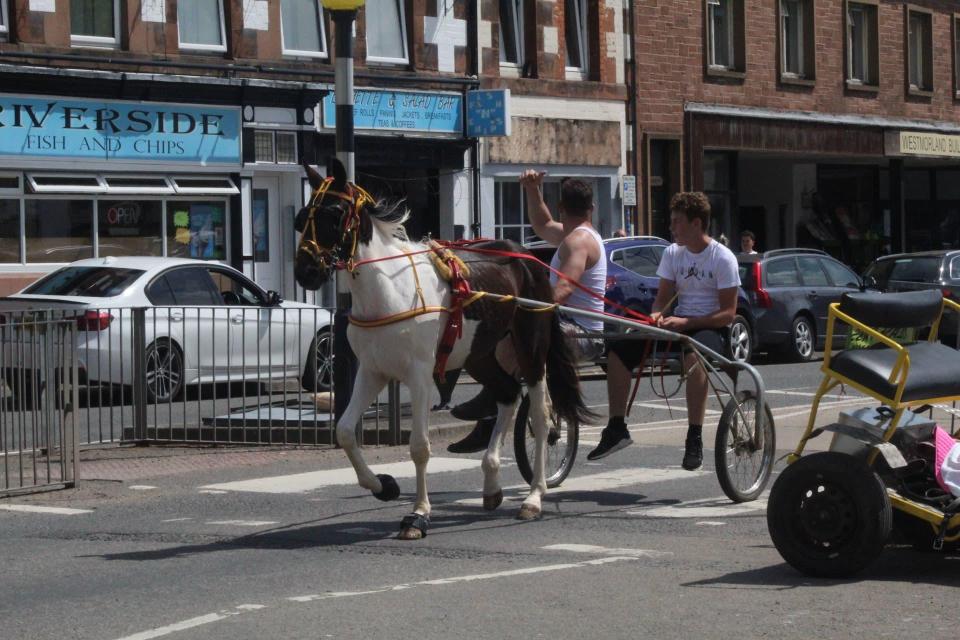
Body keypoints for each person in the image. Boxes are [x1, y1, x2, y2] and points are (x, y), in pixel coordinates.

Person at [447, 172, 607, 453]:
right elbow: (542, 223)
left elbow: (565, 289)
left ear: (562, 206)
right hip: (561, 322)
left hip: (582, 333)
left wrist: (524, 311)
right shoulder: (573, 235)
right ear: (591, 208)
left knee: (510, 343)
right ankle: (491, 409)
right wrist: (533, 190)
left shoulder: (579, 242)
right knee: (496, 338)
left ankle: (489, 410)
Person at [591, 192, 740, 469]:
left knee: (694, 359)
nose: (671, 227)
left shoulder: (723, 258)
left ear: (696, 224)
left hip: (710, 329)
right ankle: (616, 427)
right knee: (618, 349)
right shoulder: (673, 253)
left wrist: (688, 323)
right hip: (678, 325)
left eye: (677, 222)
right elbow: (662, 298)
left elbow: (728, 314)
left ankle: (694, 436)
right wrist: (656, 314)